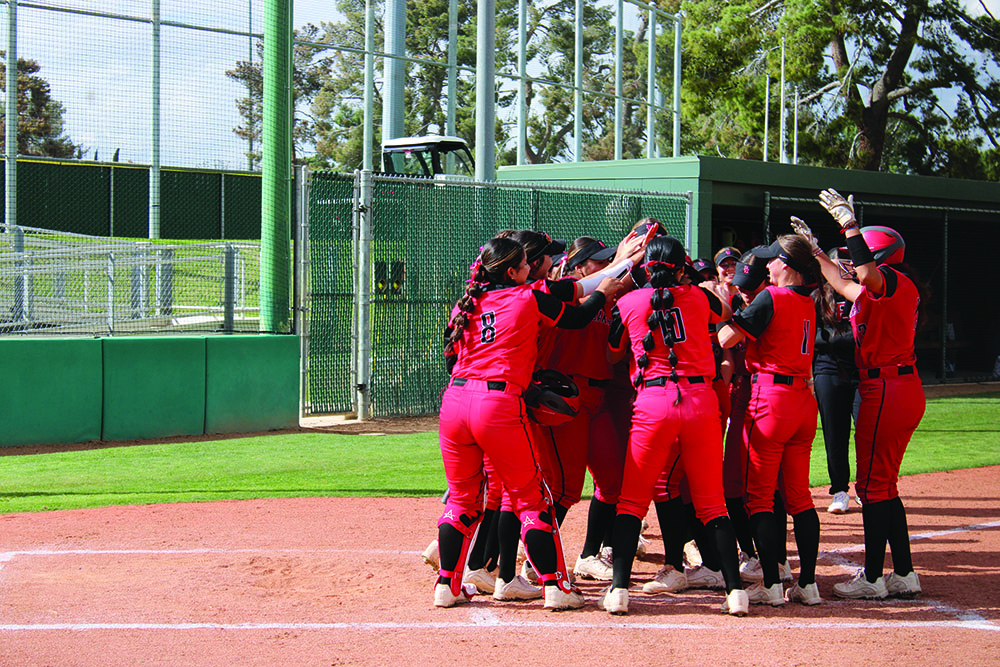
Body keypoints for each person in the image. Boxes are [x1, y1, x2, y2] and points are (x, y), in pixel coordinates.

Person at [434, 236, 623, 610]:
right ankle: (555, 587)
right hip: (498, 403)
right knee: (531, 499)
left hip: (454, 402)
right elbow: (578, 316)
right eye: (525, 265)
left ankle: (447, 586)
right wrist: (603, 292)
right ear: (512, 271)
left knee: (460, 501)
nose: (532, 270)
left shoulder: (467, 304)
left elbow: (451, 355)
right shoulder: (525, 297)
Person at [602, 235, 749, 617]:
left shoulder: (628, 301)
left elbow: (613, 350)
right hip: (699, 401)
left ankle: (619, 590)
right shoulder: (699, 297)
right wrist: (687, 284)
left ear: (646, 268)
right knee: (712, 503)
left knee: (632, 501)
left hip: (653, 402)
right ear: (680, 267)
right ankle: (735, 592)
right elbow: (725, 310)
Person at [797, 189, 926, 600]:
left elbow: (866, 274)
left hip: (888, 386)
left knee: (872, 488)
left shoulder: (890, 282)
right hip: (894, 384)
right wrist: (815, 251)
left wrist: (848, 224)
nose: (852, 261)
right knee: (884, 485)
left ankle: (872, 579)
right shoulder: (879, 291)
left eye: (861, 252)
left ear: (880, 255)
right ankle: (903, 573)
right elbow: (839, 279)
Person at [716, 234, 822, 607]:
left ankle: (773, 585)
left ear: (787, 265)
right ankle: (807, 584)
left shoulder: (772, 296)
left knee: (759, 497)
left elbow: (727, 338)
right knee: (799, 497)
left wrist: (722, 310)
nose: (768, 266)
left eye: (773, 261)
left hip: (771, 401)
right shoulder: (808, 298)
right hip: (803, 400)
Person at [812, 249, 860, 515]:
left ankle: (865, 487)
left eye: (851, 263)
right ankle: (840, 490)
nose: (848, 268)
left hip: (863, 369)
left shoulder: (865, 293)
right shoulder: (818, 296)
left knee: (866, 430)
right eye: (841, 263)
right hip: (829, 368)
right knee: (835, 432)